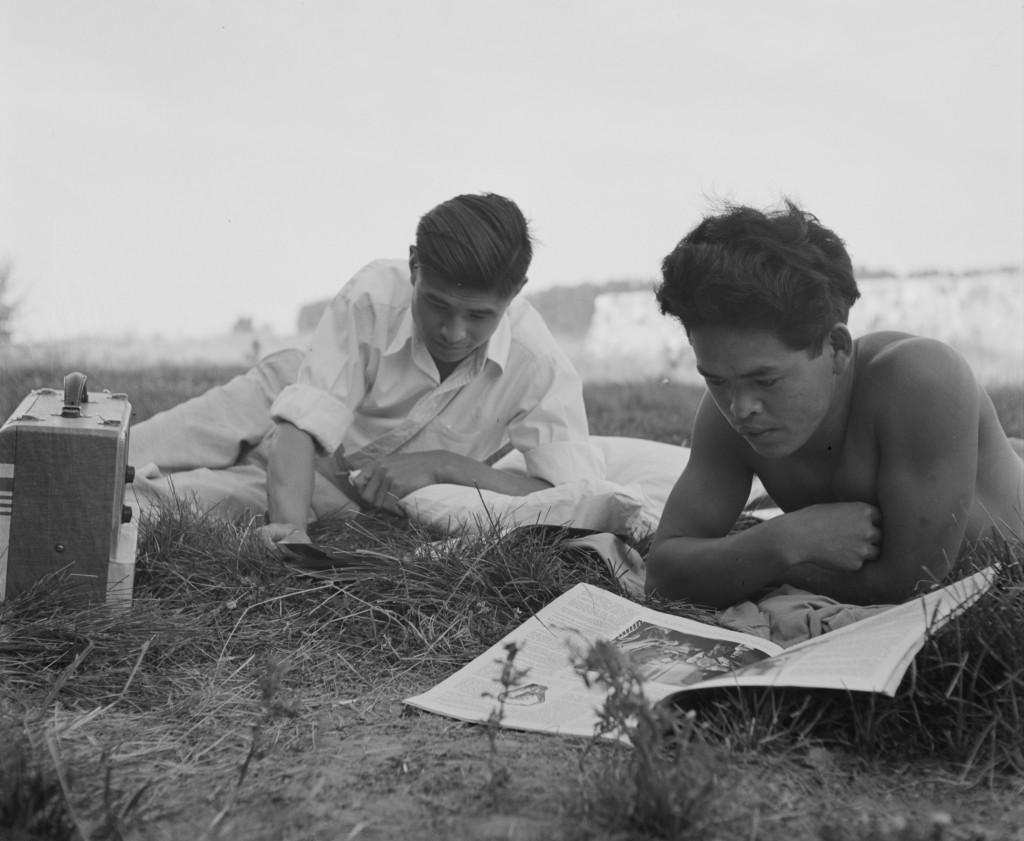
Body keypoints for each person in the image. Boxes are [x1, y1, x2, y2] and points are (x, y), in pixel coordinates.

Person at [129, 193, 604, 551]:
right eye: (436, 304)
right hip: (285, 403)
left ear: (516, 292)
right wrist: (292, 529)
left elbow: (570, 497)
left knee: (151, 509)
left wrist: (448, 465)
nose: (454, 332)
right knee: (121, 454)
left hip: (335, 485)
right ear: (415, 266)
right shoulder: (374, 293)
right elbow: (301, 421)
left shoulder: (537, 361)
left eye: (479, 316)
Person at [645, 201, 1024, 608]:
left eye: (766, 380)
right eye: (715, 380)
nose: (739, 407)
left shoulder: (922, 378)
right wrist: (784, 538)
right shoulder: (732, 412)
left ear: (837, 348)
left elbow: (908, 589)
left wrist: (765, 558)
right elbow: (663, 574)